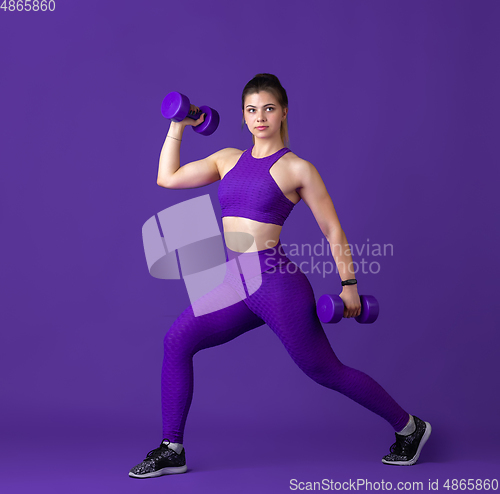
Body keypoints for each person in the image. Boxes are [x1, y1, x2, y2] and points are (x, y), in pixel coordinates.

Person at [128, 74, 431, 479]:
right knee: (177, 341)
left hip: (276, 283)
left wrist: (349, 285)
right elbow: (167, 178)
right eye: (251, 110)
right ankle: (172, 448)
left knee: (325, 370)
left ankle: (410, 428)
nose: (260, 117)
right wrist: (178, 124)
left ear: (283, 111)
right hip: (235, 281)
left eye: (268, 108)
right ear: (243, 116)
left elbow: (332, 230)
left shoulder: (297, 168)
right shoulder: (227, 159)